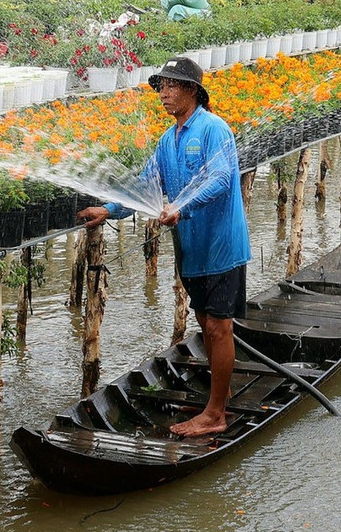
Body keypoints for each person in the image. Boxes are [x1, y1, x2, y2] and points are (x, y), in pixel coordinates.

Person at [76, 57, 250, 437]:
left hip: (221, 246)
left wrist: (182, 208)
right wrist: (109, 209)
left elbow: (222, 179)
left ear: (192, 91)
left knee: (219, 328)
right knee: (205, 323)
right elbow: (146, 188)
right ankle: (223, 392)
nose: (164, 94)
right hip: (193, 250)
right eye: (160, 87)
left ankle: (216, 414)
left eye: (171, 86)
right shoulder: (167, 140)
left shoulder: (213, 129)